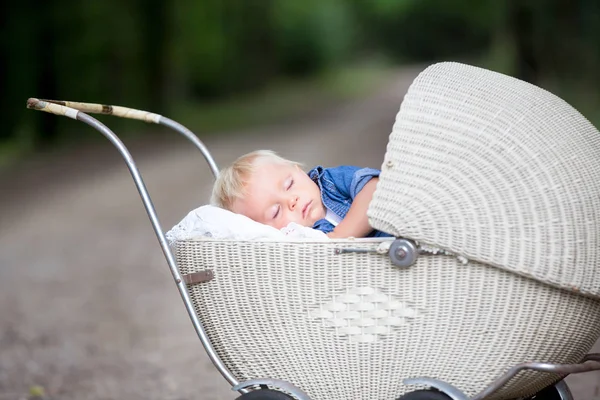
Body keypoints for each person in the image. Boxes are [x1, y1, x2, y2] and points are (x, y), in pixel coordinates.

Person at [211, 150, 391, 238]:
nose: (292, 201)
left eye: (289, 185)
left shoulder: (329, 182)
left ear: (299, 171)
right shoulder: (299, 241)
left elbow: (375, 189)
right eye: (276, 211)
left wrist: (340, 236)